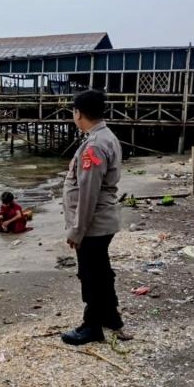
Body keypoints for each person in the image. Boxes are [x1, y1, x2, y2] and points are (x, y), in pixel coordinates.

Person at [60, 89, 132, 345]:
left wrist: (76, 230)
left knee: (90, 274)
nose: (73, 116)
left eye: (73, 112)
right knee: (101, 272)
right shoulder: (104, 136)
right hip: (102, 220)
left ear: (79, 113)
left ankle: (91, 327)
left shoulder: (95, 145)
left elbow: (88, 193)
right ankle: (111, 318)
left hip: (94, 223)